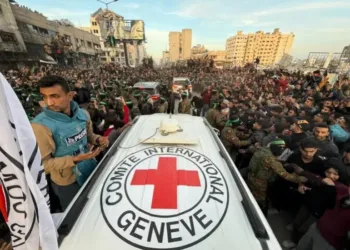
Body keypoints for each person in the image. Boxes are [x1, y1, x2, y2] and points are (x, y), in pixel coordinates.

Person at [31, 75, 109, 211]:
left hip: (90, 169)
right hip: (67, 182)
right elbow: (43, 165)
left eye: (55, 96)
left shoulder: (83, 114)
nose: (49, 102)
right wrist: (74, 160)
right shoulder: (41, 126)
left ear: (70, 95)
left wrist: (98, 139)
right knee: (78, 215)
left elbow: (88, 135)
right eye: (44, 97)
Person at [247, 139, 307, 215]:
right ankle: (256, 214)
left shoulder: (262, 150)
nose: (282, 150)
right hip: (260, 182)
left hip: (251, 176)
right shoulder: (271, 160)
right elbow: (286, 175)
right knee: (261, 200)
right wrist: (301, 179)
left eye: (283, 148)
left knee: (251, 193)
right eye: (281, 148)